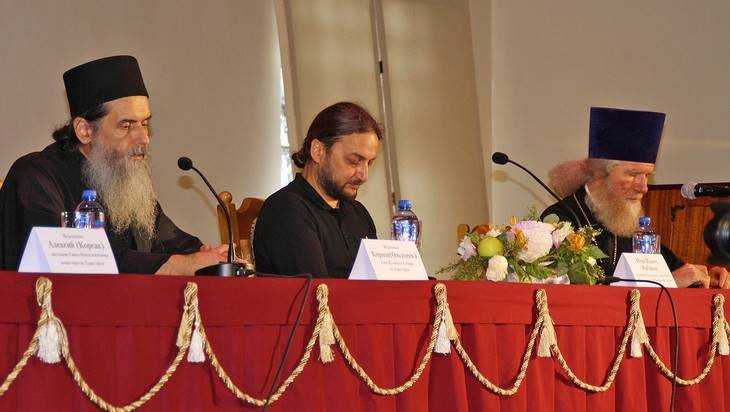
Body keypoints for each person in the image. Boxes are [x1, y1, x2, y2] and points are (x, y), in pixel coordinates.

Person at [0, 55, 227, 275]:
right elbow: (71, 260)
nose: (144, 139)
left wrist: (212, 257)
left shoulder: (125, 182)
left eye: (144, 123)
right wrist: (179, 265)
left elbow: (175, 244)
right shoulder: (35, 176)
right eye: (126, 125)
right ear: (85, 130)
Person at [542, 107, 729, 288]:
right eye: (632, 174)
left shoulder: (626, 224)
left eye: (647, 175)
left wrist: (706, 277)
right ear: (599, 175)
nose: (644, 187)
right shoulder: (558, 223)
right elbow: (571, 297)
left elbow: (676, 271)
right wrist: (668, 284)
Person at [254, 102, 380, 278]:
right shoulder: (285, 210)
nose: (364, 175)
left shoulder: (358, 213)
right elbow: (318, 291)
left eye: (369, 163)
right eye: (353, 161)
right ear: (318, 151)